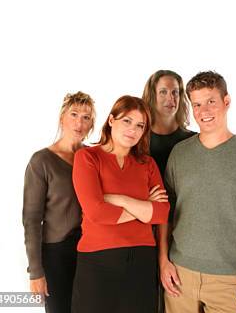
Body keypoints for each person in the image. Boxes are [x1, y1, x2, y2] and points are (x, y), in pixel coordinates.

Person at [159, 71, 236, 313]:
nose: (204, 111)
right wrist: (163, 261)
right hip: (180, 275)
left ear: (226, 102)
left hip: (230, 280)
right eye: (197, 104)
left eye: (211, 101)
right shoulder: (179, 154)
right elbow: (165, 211)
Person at [71, 95, 170, 313]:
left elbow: (162, 214)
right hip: (97, 261)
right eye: (127, 121)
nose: (132, 130)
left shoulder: (147, 163)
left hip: (142, 262)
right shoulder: (87, 157)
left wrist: (120, 200)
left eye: (139, 125)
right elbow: (96, 212)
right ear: (111, 120)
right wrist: (145, 207)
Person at [23, 91, 95, 313]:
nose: (79, 122)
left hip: (91, 251)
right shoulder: (41, 161)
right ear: (62, 118)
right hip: (56, 254)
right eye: (74, 114)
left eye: (86, 117)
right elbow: (32, 220)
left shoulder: (93, 157)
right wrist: (36, 272)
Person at [142, 69, 196, 313]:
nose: (170, 98)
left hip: (183, 233)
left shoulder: (192, 140)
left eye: (175, 92)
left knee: (177, 297)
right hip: (143, 229)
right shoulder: (138, 138)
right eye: (163, 92)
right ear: (152, 96)